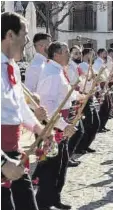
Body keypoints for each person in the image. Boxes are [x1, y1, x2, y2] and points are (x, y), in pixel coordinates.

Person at [1, 12, 49, 210]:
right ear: (10, 35)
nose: (28, 40)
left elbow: (19, 105)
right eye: (25, 34)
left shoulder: (10, 67)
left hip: (15, 152)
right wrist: (2, 162)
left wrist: (40, 129)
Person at [36, 41, 81, 210]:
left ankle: (54, 198)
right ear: (56, 54)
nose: (69, 54)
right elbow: (48, 107)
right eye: (65, 51)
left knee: (60, 165)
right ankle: (43, 203)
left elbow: (65, 93)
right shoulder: (52, 73)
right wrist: (63, 125)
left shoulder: (57, 71)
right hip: (52, 126)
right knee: (50, 166)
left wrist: (79, 96)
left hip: (59, 123)